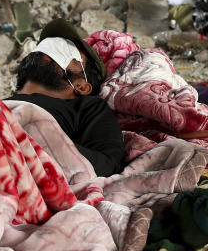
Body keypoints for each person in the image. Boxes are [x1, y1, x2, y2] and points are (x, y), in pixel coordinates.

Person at [7, 19, 124, 177]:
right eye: (46, 46)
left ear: (81, 86)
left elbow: (108, 166)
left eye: (69, 51)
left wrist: (39, 140)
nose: (49, 48)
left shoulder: (88, 108)